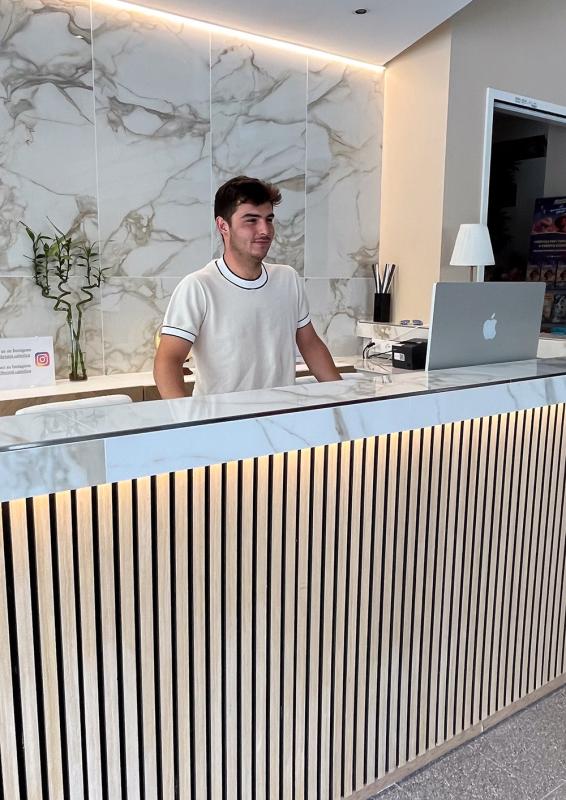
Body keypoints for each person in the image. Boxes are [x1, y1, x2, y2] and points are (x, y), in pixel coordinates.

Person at [154, 175, 341, 398]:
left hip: (282, 421)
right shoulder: (198, 287)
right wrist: (187, 424)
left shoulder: (287, 279)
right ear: (223, 225)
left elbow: (311, 345)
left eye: (269, 219)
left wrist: (345, 399)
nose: (265, 230)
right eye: (251, 220)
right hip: (221, 425)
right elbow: (167, 362)